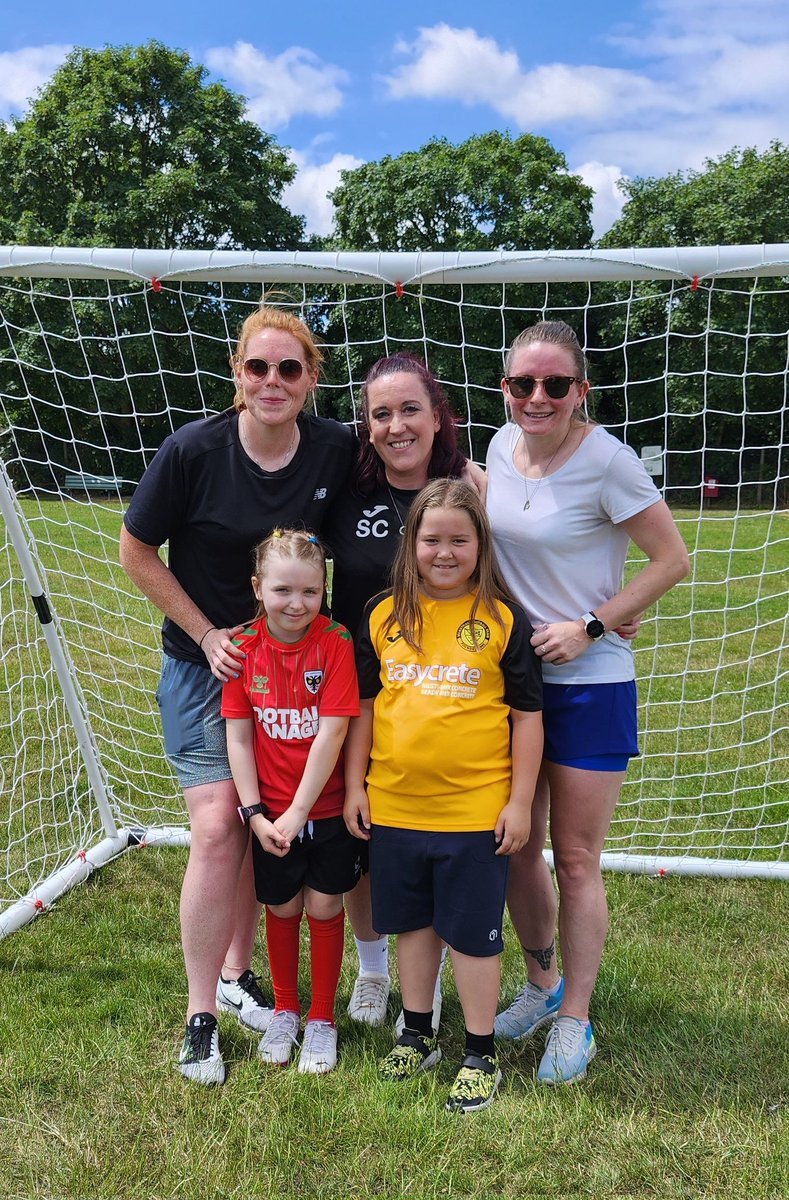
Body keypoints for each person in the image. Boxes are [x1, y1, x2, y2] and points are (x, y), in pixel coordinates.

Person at [119, 304, 354, 1085]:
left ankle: (239, 971)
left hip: (297, 676)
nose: (273, 382)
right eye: (258, 367)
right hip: (206, 668)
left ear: (311, 377)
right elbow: (135, 549)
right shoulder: (193, 449)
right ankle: (201, 1018)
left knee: (270, 828)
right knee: (222, 824)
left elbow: (406, 469)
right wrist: (208, 631)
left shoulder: (333, 448)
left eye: (290, 368)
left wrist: (473, 473)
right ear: (236, 372)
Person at [485, 320, 690, 1084]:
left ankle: (577, 1019)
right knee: (513, 846)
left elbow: (671, 558)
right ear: (503, 389)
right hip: (510, 686)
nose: (537, 398)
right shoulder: (498, 452)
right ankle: (541, 987)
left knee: (574, 859)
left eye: (554, 385)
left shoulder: (609, 462)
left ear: (581, 392)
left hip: (590, 684)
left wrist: (594, 622)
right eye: (522, 384)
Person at [344, 479, 543, 1113]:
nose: (445, 552)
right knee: (412, 925)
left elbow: (527, 719)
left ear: (481, 545)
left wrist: (517, 802)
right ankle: (417, 1030)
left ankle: (480, 1053)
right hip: (397, 808)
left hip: (474, 814)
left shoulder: (503, 620)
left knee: (475, 936)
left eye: (461, 539)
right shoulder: (382, 615)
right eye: (432, 539)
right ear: (411, 544)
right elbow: (366, 711)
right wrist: (355, 786)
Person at [325, 351, 469, 1031]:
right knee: (359, 840)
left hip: (442, 699)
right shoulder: (343, 491)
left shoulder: (470, 491)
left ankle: (425, 977)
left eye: (409, 408)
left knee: (426, 844)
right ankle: (374, 969)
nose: (395, 425)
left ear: (438, 416)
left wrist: (608, 611)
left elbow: (529, 562)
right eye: (380, 413)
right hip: (354, 696)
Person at [221, 529, 360, 1074]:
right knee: (281, 907)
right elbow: (238, 736)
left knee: (324, 906)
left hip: (322, 811)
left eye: (310, 591)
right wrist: (255, 814)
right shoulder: (244, 648)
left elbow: (331, 733)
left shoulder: (335, 642)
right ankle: (285, 1008)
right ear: (258, 588)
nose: (297, 604)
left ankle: (321, 1019)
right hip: (268, 815)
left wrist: (298, 812)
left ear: (323, 588)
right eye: (282, 591)